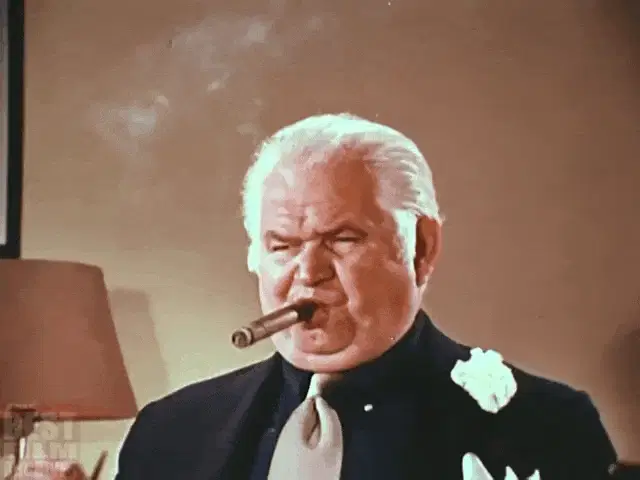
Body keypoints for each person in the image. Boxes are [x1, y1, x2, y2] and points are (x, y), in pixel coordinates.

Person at [15, 114, 638, 479]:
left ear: (422, 248)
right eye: (282, 244)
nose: (307, 274)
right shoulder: (171, 431)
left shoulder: (545, 427)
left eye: (342, 239)